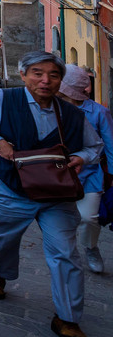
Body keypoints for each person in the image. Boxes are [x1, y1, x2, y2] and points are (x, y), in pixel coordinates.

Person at [0, 50, 103, 337]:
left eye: (53, 75)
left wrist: (80, 157)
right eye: (37, 73)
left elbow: (95, 147)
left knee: (65, 251)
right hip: (9, 187)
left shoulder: (74, 115)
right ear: (23, 75)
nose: (45, 81)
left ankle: (68, 317)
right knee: (3, 236)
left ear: (61, 81)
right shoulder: (0, 99)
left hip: (55, 194)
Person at [60, 65, 111, 275]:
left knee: (89, 217)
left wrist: (112, 176)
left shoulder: (99, 113)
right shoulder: (51, 107)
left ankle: (91, 248)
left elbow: (110, 145)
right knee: (61, 217)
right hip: (57, 174)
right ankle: (64, 252)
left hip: (90, 174)